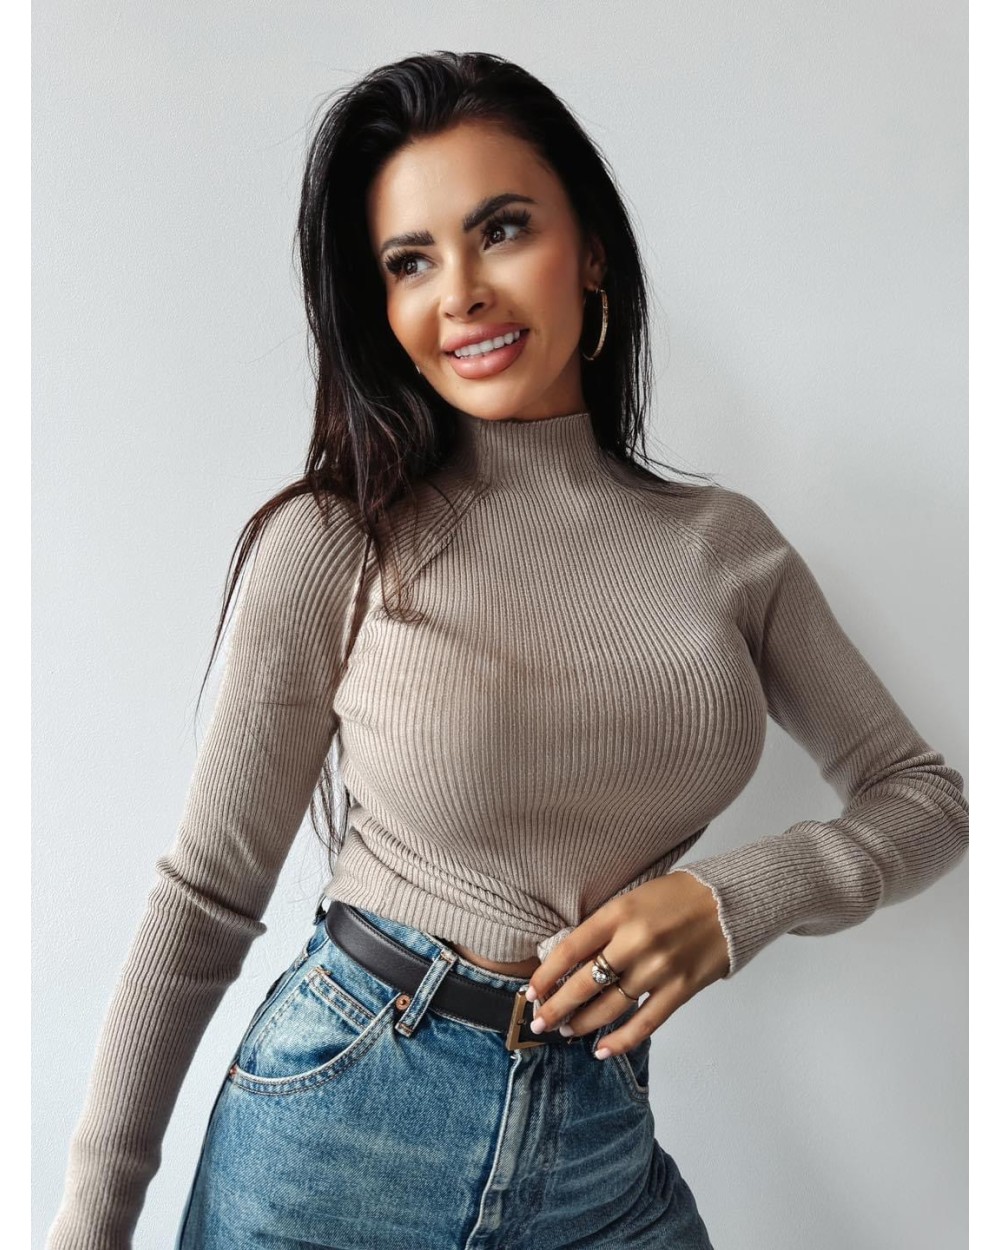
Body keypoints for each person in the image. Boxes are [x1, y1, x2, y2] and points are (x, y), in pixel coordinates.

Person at [47, 50, 968, 1250]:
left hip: (598, 1136)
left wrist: (737, 896)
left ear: (590, 250)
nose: (461, 293)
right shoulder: (336, 540)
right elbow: (207, 895)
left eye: (502, 229)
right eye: (410, 261)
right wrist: (91, 1218)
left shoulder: (725, 549)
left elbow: (922, 797)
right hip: (343, 1123)